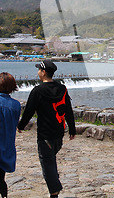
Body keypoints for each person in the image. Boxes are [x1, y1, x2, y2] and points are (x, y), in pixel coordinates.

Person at [18, 60, 76, 198]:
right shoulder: (62, 88)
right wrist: (72, 129)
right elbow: (68, 110)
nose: (38, 72)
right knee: (51, 159)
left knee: (47, 163)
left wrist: (20, 125)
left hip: (45, 134)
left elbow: (29, 111)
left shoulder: (37, 91)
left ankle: (54, 192)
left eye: (39, 70)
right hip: (59, 132)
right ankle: (55, 183)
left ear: (43, 73)